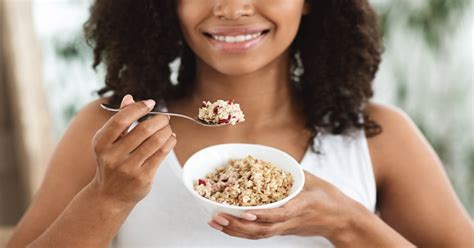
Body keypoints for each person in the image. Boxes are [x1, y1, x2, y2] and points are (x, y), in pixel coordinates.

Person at [7, 0, 472, 247]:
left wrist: (346, 223)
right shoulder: (112, 130)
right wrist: (106, 198)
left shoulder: (376, 137)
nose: (232, 7)